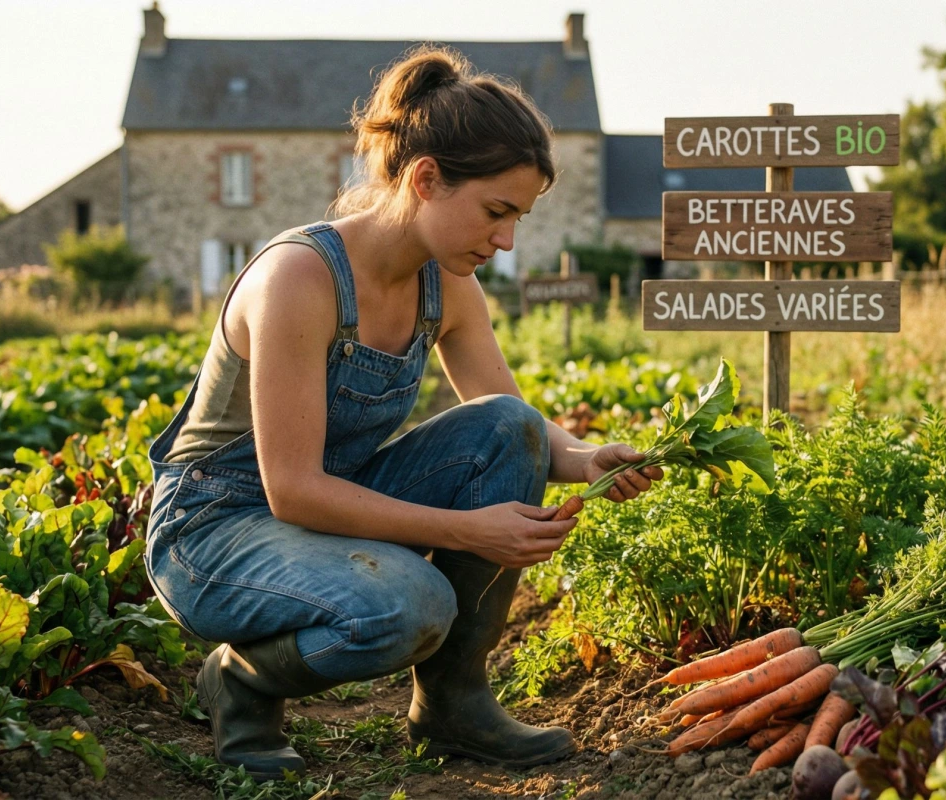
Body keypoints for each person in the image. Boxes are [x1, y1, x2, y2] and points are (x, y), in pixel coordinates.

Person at [143, 44, 662, 780]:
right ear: (426, 180)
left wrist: (581, 456)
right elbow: (292, 489)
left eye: (517, 217)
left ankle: (454, 704)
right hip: (216, 529)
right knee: (411, 605)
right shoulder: (300, 278)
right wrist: (463, 529)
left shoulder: (444, 284)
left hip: (324, 505)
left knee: (507, 426)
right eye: (496, 211)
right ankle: (241, 682)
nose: (507, 239)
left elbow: (502, 409)